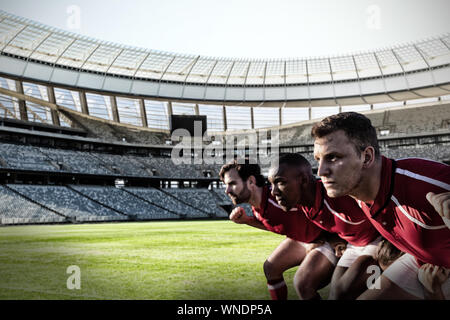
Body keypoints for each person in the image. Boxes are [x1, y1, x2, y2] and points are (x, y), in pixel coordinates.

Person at [311, 111, 450, 299]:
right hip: (424, 262)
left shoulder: (427, 185)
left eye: (333, 157)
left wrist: (434, 293)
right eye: (318, 160)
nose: (321, 171)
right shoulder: (360, 191)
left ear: (367, 157)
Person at [268, 153, 382, 299]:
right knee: (335, 295)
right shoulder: (305, 204)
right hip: (354, 245)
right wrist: (332, 238)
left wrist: (390, 243)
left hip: (377, 241)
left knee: (348, 292)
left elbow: (378, 205)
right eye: (271, 184)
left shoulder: (338, 194)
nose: (274, 191)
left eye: (280, 182)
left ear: (303, 180)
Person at [219, 160, 339, 300]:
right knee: (271, 268)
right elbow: (276, 224)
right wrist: (248, 221)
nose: (227, 190)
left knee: (303, 284)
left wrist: (331, 237)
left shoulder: (279, 196)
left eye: (232, 184)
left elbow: (319, 204)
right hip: (306, 239)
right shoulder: (258, 206)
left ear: (251, 181)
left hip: (325, 238)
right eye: (226, 185)